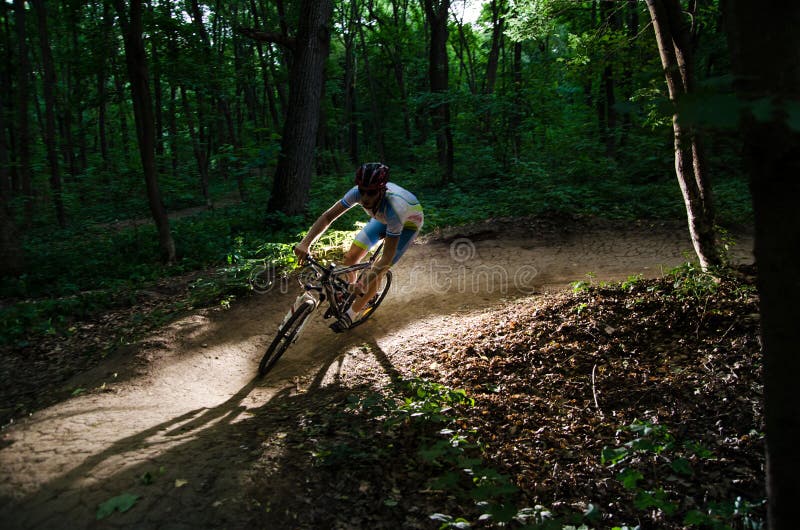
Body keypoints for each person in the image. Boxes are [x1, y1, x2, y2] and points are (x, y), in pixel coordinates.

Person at [293, 163, 424, 332]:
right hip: (382, 218)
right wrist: (305, 243)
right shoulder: (357, 193)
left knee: (379, 267)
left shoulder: (395, 209)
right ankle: (348, 292)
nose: (365, 197)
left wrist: (362, 284)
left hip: (407, 224)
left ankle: (352, 313)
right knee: (350, 258)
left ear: (382, 190)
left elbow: (387, 257)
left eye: (371, 192)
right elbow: (328, 217)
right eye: (362, 190)